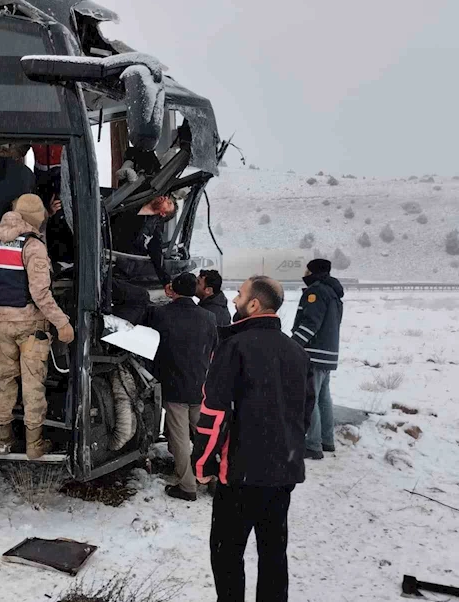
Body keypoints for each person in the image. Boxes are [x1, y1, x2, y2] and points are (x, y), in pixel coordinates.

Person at [193, 276, 315, 602]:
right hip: (281, 476)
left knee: (227, 555)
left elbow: (214, 415)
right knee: (274, 556)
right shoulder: (297, 353)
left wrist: (202, 462)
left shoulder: (233, 348)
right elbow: (303, 417)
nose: (233, 300)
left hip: (240, 478)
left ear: (254, 305)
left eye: (239, 294)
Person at [0, 194, 75, 460]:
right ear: (35, 218)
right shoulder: (33, 246)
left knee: (4, 381)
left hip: (0, 322)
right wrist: (62, 323)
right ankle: (34, 444)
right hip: (30, 324)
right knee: (33, 384)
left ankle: (3, 440)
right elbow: (40, 293)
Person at [145, 272, 218, 501]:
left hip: (174, 384)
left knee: (179, 438)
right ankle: (214, 477)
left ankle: (187, 486)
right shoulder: (208, 317)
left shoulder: (161, 314)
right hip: (200, 384)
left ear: (172, 290)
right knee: (203, 435)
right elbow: (214, 346)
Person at [292, 258, 345, 460]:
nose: (304, 273)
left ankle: (312, 445)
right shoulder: (333, 294)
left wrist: (293, 345)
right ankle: (326, 440)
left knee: (310, 399)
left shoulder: (316, 292)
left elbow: (310, 323)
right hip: (328, 353)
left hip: (313, 354)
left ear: (312, 272)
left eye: (306, 270)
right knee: (323, 398)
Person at [110, 195, 176, 285]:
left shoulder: (152, 230)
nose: (165, 199)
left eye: (168, 203)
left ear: (163, 213)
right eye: (167, 198)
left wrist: (166, 281)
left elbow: (156, 255)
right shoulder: (140, 196)